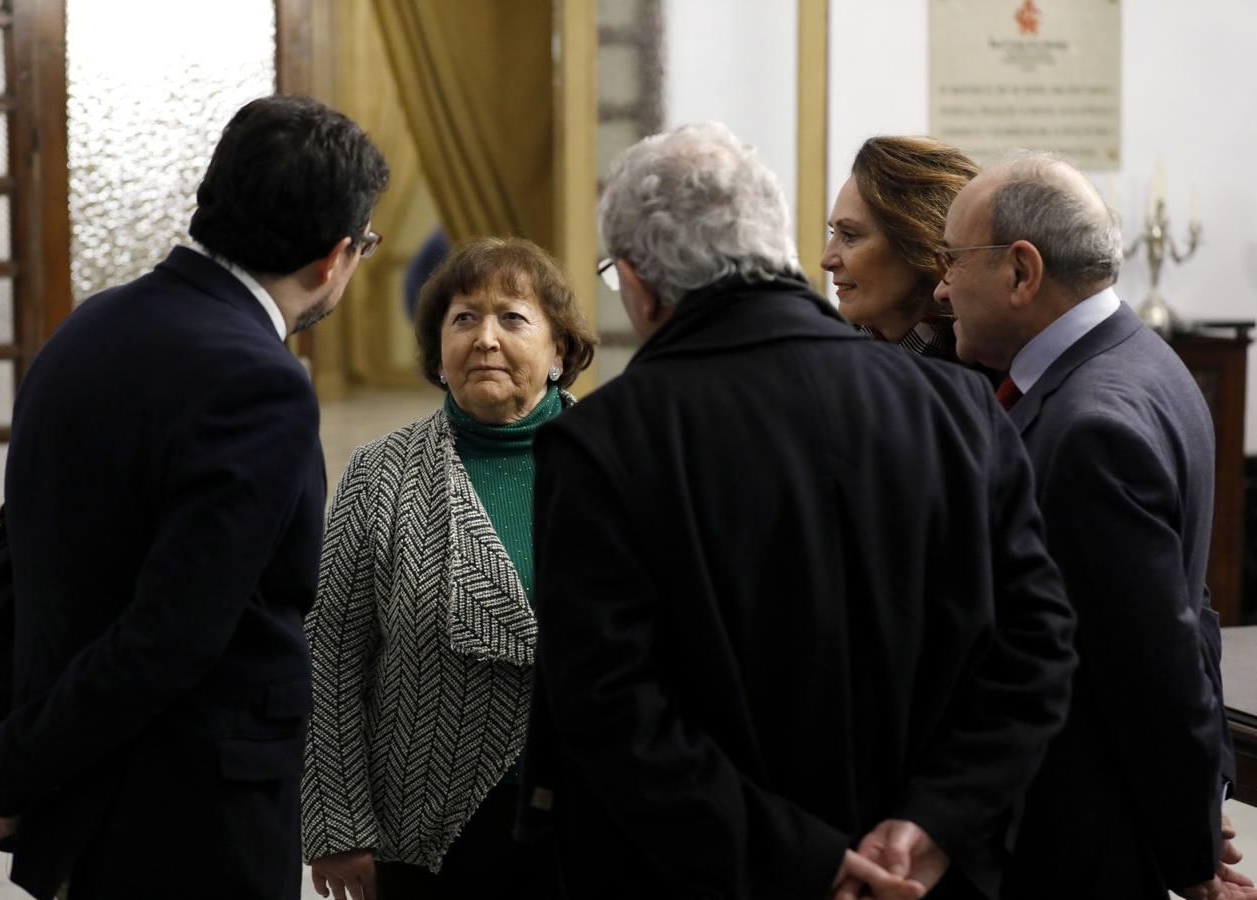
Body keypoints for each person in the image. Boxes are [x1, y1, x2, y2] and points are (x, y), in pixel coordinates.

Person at [520, 121, 1077, 900]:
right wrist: (935, 820)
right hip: (920, 881)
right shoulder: (958, 410)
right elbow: (1039, 648)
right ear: (775, 246)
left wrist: (803, 860)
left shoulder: (602, 441)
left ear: (642, 283)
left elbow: (610, 710)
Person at [0, 95, 390, 899]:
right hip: (191, 823)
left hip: (80, 804)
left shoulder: (86, 329)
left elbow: (14, 566)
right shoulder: (261, 383)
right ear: (334, 256)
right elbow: (173, 635)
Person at [934, 153, 1253, 900]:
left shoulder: (1088, 427)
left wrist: (1191, 850)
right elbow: (1189, 610)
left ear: (1021, 272)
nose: (942, 287)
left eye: (952, 261)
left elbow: (1153, 670)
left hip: (1073, 852)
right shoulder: (1148, 360)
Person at [302, 237, 597, 900]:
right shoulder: (379, 473)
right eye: (464, 319)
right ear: (438, 351)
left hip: (591, 811)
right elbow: (331, 656)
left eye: (513, 318)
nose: (485, 339)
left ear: (559, 352)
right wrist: (339, 825)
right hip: (428, 830)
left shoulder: (614, 461)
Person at [822, 136, 978, 359]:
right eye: (832, 233)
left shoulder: (989, 371)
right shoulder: (826, 364)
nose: (826, 260)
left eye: (849, 235)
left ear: (918, 243)